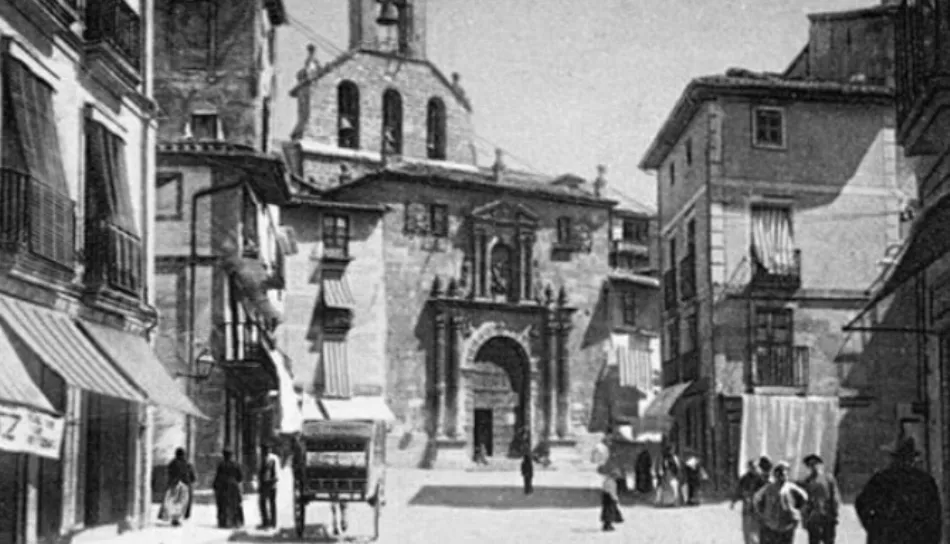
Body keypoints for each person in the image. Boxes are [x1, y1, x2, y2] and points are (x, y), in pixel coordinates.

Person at [855, 436, 942, 544]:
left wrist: (873, 526)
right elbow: (935, 517)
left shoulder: (882, 479)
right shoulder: (924, 481)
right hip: (914, 538)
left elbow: (861, 503)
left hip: (888, 537)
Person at [752, 461, 808, 544]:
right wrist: (761, 513)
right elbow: (756, 499)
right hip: (770, 526)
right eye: (780, 473)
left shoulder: (791, 488)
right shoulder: (768, 488)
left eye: (785, 473)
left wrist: (796, 512)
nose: (782, 476)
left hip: (786, 527)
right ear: (776, 474)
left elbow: (804, 498)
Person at [799, 454, 840, 544]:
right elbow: (804, 502)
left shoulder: (828, 479)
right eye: (810, 465)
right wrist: (804, 519)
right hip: (813, 519)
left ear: (820, 465)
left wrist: (835, 514)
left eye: (815, 464)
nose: (813, 467)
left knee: (829, 541)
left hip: (828, 517)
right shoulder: (807, 481)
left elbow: (835, 497)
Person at [732, 457, 772, 544]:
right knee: (747, 532)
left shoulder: (762, 479)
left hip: (758, 511)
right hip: (747, 510)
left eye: (755, 467)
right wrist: (734, 501)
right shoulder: (744, 478)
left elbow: (766, 492)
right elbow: (738, 490)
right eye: (751, 467)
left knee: (756, 533)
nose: (753, 469)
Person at [163, 448, 196, 527]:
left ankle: (174, 519)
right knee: (182, 503)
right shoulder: (187, 464)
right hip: (185, 486)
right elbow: (193, 478)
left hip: (174, 486)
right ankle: (178, 519)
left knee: (173, 502)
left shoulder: (172, 464)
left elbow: (169, 474)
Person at [213, 448, 244, 529]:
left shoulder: (221, 464)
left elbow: (218, 476)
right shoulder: (236, 464)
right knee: (235, 504)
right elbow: (240, 477)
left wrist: (215, 485)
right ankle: (236, 522)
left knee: (223, 504)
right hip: (234, 486)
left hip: (223, 486)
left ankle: (224, 522)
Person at [257, 443, 280, 529]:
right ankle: (265, 521)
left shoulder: (273, 458)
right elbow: (259, 471)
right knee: (262, 503)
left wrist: (273, 480)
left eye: (266, 450)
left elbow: (277, 472)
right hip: (264, 484)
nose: (265, 452)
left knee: (272, 503)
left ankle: (273, 522)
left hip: (271, 483)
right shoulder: (261, 458)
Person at [600, 466, 624, 532]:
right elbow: (612, 491)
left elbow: (605, 489)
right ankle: (608, 525)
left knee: (607, 511)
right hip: (610, 498)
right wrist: (615, 498)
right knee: (610, 511)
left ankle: (607, 524)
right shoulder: (611, 482)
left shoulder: (607, 480)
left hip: (606, 497)